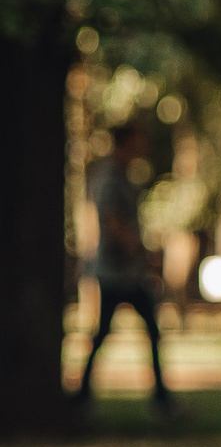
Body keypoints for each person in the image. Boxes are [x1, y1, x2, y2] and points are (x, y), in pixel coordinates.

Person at [78, 123, 178, 418]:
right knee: (108, 334)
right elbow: (111, 221)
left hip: (130, 273)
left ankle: (159, 398)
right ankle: (83, 397)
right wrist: (138, 248)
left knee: (144, 331)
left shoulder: (123, 176)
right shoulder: (109, 177)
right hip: (116, 273)